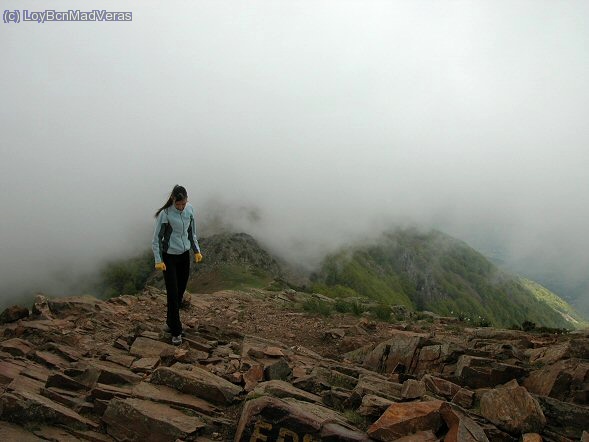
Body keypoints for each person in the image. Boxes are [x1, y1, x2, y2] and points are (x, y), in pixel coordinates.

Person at [152, 185, 203, 345]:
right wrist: (158, 260)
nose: (181, 207)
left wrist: (196, 251)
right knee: (172, 293)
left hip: (184, 256)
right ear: (173, 200)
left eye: (183, 204)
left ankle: (169, 321)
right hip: (169, 258)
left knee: (180, 292)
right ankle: (176, 331)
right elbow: (156, 239)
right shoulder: (165, 214)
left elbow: (191, 232)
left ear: (187, 200)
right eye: (178, 204)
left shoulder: (190, 210)